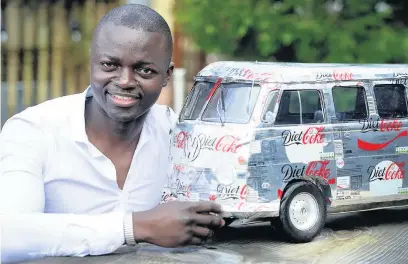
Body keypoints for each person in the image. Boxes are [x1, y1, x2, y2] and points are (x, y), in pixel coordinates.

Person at [0, 4, 224, 263]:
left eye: (145, 70)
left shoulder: (180, 138)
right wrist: (134, 227)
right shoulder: (33, 131)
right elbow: (7, 235)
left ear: (167, 75)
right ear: (92, 61)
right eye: (110, 65)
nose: (126, 80)